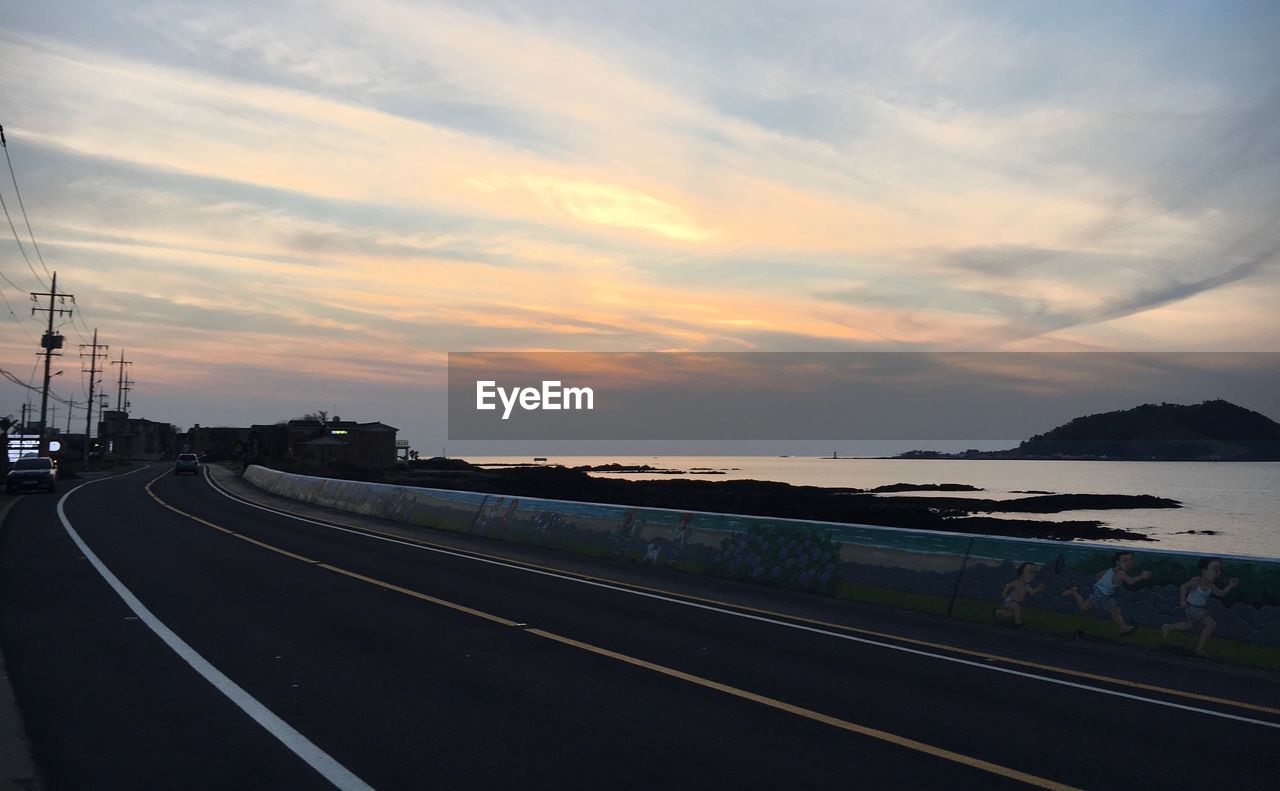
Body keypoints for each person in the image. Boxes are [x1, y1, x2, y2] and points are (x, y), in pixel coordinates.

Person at [1161, 557, 1239, 658]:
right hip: (1193, 608)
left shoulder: (1211, 586)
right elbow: (1183, 587)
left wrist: (1230, 586)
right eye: (1215, 569)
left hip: (1198, 609)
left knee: (1188, 625)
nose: (1218, 573)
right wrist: (1182, 600)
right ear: (1204, 571)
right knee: (1211, 624)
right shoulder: (1196, 581)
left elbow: (1221, 593)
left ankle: (1168, 627)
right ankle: (1200, 649)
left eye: (1219, 570)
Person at [1062, 551, 1151, 635]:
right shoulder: (1121, 574)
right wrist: (1141, 577)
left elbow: (1098, 576)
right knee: (1085, 607)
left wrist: (1102, 584)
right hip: (1102, 595)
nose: (1129, 563)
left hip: (1102, 594)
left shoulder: (1110, 570)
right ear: (1117, 562)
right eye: (1125, 560)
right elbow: (1130, 581)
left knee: (1115, 610)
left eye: (1131, 559)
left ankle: (1123, 628)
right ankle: (1074, 592)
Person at [994, 562, 1045, 627]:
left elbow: (1032, 592)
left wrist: (1038, 589)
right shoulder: (1016, 583)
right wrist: (1004, 592)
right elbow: (1008, 585)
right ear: (1021, 573)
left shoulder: (1027, 586)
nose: (1033, 575)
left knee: (1009, 613)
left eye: (1034, 573)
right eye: (1030, 572)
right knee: (1016, 608)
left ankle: (998, 612)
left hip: (1016, 602)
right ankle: (1018, 621)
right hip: (1010, 600)